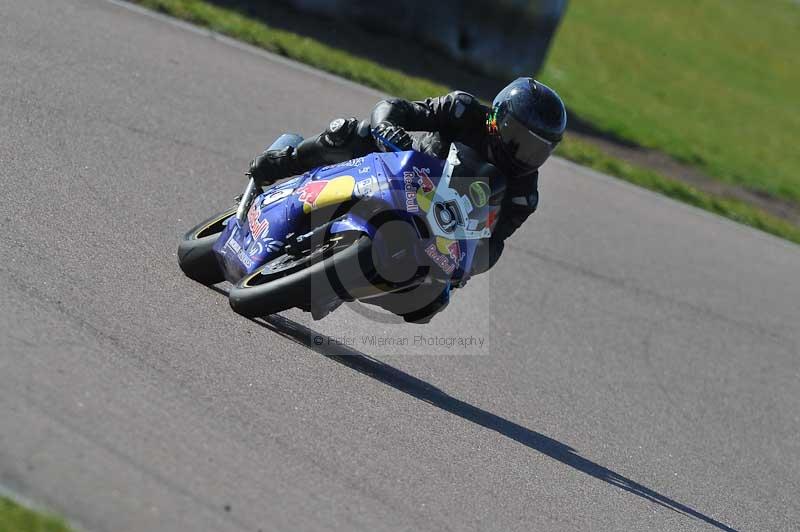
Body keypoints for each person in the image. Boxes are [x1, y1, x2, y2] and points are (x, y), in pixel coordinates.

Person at [249, 77, 567, 322]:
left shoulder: (523, 194)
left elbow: (494, 244)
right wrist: (389, 126)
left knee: (431, 301)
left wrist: (466, 268)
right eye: (515, 137)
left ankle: (352, 281)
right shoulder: (462, 110)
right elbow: (398, 109)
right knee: (352, 132)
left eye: (534, 149)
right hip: (404, 176)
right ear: (497, 117)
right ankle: (284, 160)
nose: (519, 153)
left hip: (437, 232)